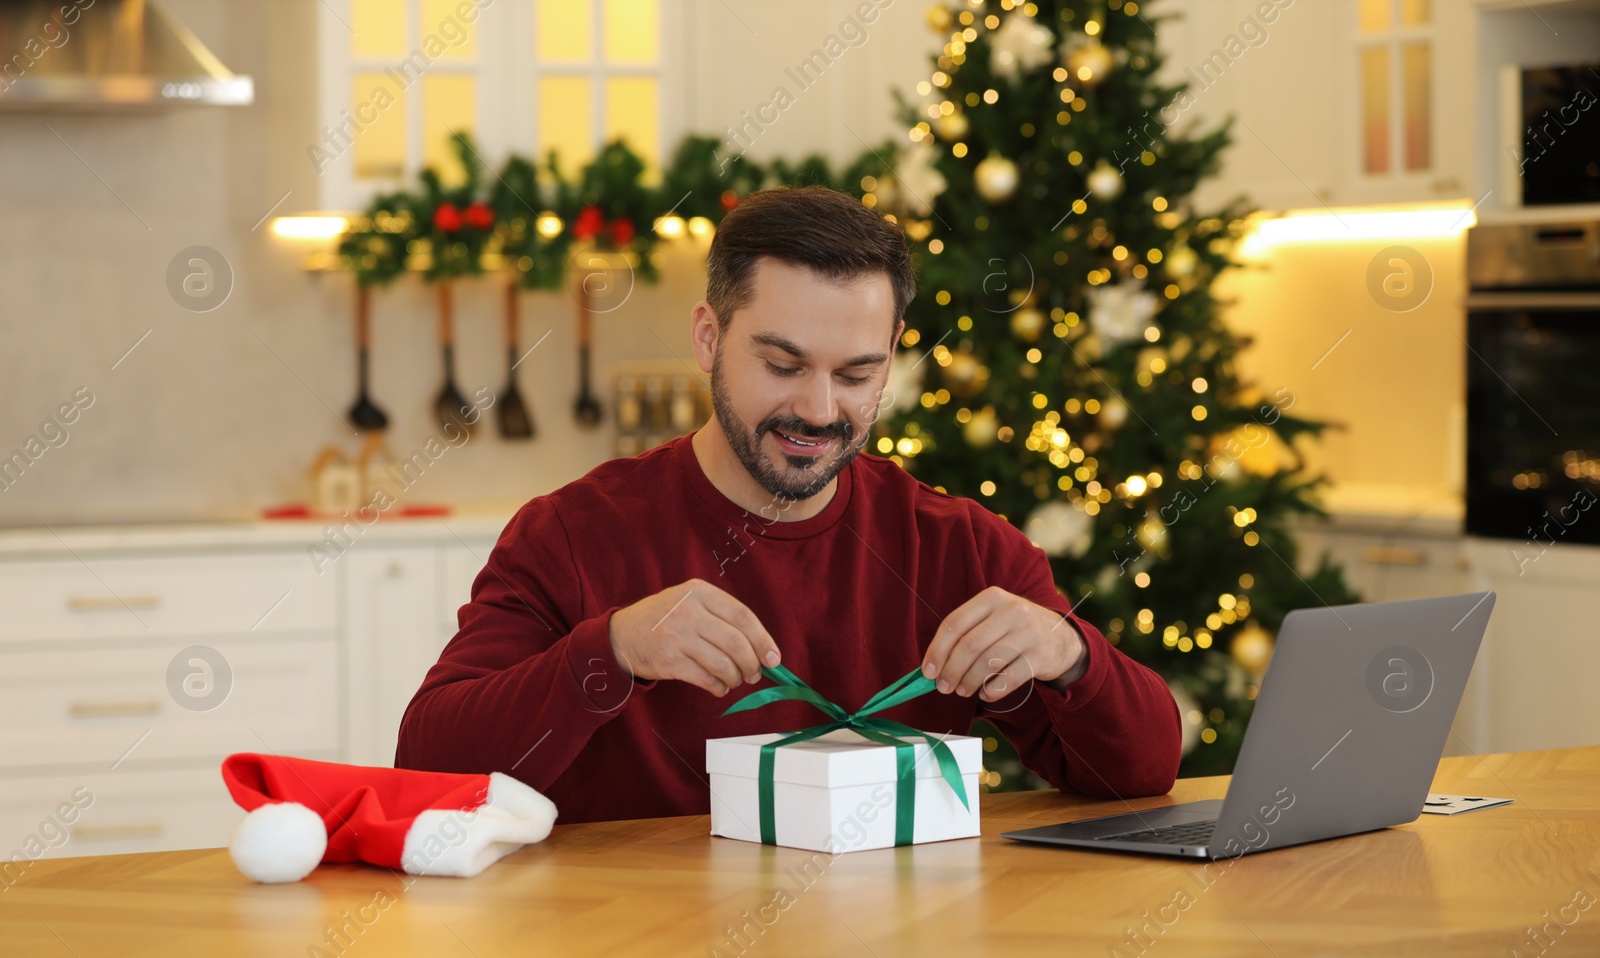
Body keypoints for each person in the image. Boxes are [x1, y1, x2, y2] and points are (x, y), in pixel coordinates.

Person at [396, 186, 1181, 822]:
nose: (816, 409)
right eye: (782, 363)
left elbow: (1143, 771)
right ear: (708, 337)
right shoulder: (573, 534)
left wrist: (1067, 653)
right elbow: (427, 763)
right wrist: (612, 651)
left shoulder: (960, 550)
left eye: (855, 374)